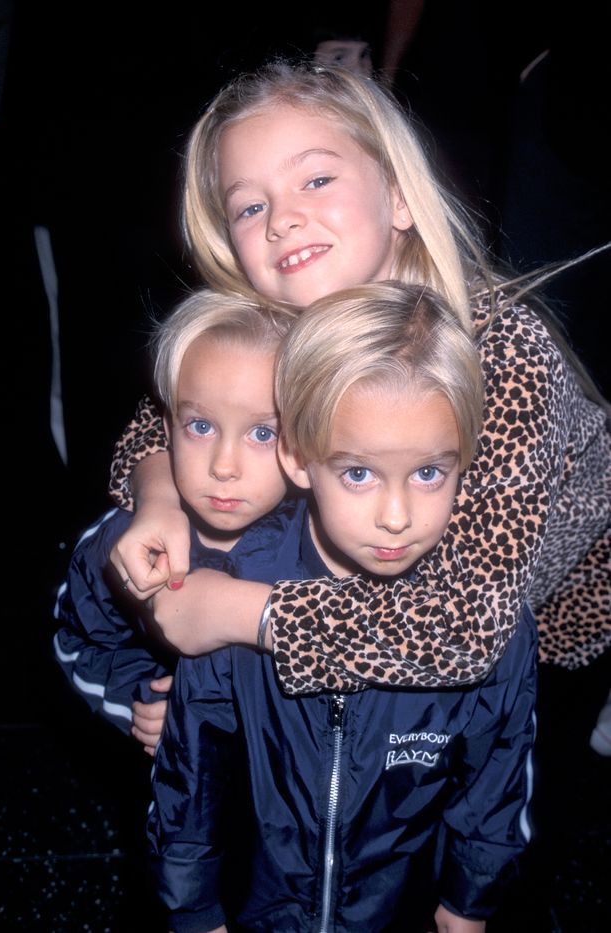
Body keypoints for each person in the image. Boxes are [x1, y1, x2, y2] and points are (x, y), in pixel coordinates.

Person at [108, 60, 610, 700]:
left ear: (398, 195)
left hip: (549, 629)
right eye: (250, 205)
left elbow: (464, 630)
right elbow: (158, 427)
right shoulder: (281, 321)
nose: (281, 219)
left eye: (315, 180)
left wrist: (238, 613)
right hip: (358, 598)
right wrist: (157, 499)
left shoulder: (506, 354)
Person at [148, 282, 538, 933]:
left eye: (428, 473)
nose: (395, 517)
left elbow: (498, 776)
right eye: (358, 472)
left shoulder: (491, 620)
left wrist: (469, 901)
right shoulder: (235, 580)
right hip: (256, 909)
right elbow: (191, 776)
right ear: (299, 457)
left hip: (395, 910)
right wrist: (193, 908)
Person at [53, 288, 296, 754]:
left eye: (263, 433)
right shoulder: (119, 543)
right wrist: (139, 699)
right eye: (201, 427)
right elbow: (78, 641)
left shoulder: (327, 543)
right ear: (166, 432)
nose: (224, 466)